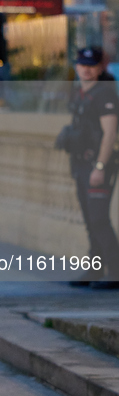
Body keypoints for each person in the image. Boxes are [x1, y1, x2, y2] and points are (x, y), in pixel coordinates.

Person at [57, 47, 119, 289]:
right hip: (81, 163)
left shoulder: (104, 94)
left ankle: (115, 272)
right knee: (89, 220)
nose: (86, 69)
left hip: (98, 165)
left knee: (99, 219)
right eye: (82, 64)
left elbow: (110, 133)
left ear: (100, 68)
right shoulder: (81, 92)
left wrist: (100, 166)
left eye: (91, 65)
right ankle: (95, 269)